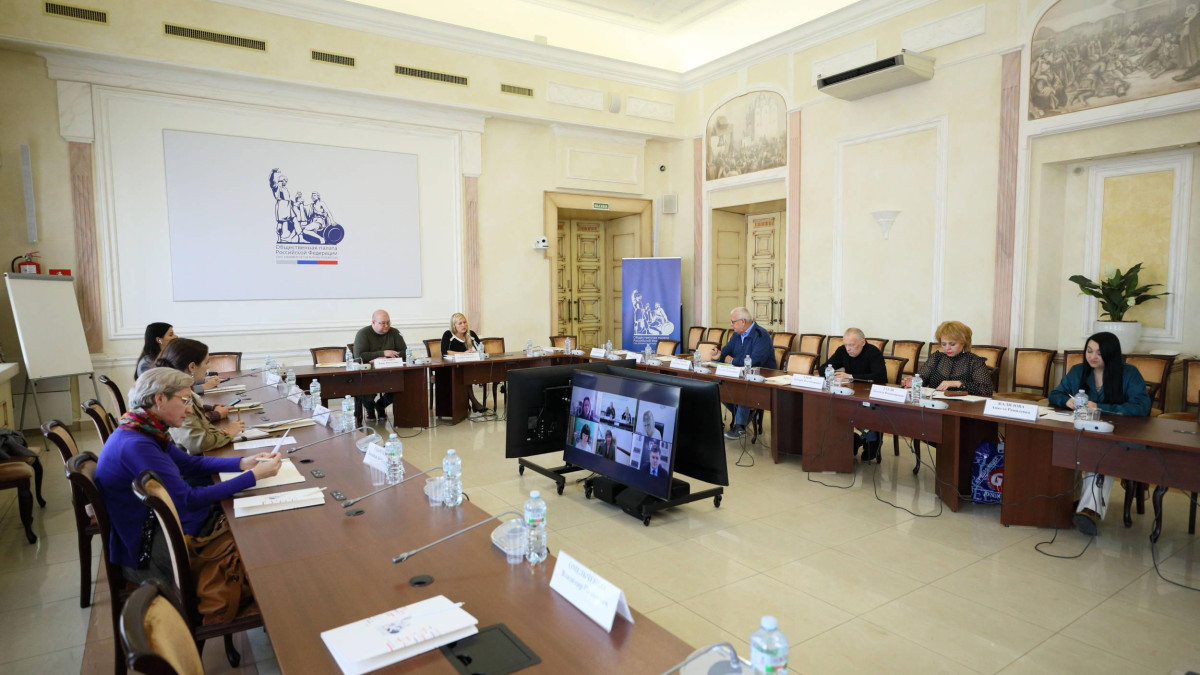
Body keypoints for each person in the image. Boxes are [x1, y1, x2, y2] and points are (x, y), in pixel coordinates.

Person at [94, 367, 281, 587]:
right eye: (184, 400)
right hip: (152, 548)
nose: (190, 409)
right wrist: (253, 476)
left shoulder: (142, 428)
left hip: (160, 525)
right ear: (159, 399)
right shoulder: (138, 444)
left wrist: (242, 463)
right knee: (257, 533)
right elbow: (187, 499)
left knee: (246, 515)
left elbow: (190, 463)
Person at [1048, 331, 1151, 535]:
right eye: (1089, 351)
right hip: (1082, 430)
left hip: (1115, 433)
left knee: (1101, 455)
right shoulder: (1078, 371)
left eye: (1099, 353)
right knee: (1065, 448)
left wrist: (1101, 407)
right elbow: (1055, 394)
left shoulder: (1129, 373)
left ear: (1111, 354)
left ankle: (1089, 511)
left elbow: (1142, 406)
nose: (1092, 356)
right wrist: (1066, 401)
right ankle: (1069, 501)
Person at [156, 338, 244, 454]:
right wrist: (228, 432)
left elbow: (197, 425)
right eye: (206, 362)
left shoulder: (179, 388)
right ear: (192, 367)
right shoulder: (178, 397)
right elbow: (197, 442)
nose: (208, 366)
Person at [707, 307, 776, 439]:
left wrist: (732, 360)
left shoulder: (761, 335)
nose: (731, 325)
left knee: (743, 387)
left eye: (733, 322)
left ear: (743, 322)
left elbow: (755, 360)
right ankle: (740, 416)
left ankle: (740, 426)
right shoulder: (736, 335)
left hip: (762, 377)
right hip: (741, 373)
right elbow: (726, 352)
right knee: (716, 385)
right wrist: (718, 355)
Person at [821, 328, 888, 461]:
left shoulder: (873, 352)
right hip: (850, 393)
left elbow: (880, 376)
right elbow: (823, 368)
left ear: (863, 342)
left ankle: (872, 439)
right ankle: (853, 439)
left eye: (852, 345)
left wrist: (851, 376)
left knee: (867, 455)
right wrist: (832, 374)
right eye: (846, 344)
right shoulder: (842, 350)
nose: (848, 349)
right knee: (832, 409)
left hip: (870, 395)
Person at [906, 321, 994, 396]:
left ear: (963, 342)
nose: (947, 348)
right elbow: (923, 379)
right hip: (935, 405)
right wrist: (913, 382)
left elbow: (986, 389)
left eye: (952, 344)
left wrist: (957, 383)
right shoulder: (936, 357)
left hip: (964, 407)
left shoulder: (974, 361)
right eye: (944, 344)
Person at [353, 310, 407, 421]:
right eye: (383, 323)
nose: (386, 326)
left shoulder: (394, 332)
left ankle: (380, 405)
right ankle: (370, 408)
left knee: (404, 384)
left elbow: (405, 352)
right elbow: (359, 356)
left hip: (391, 371)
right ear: (373, 322)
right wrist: (383, 353)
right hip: (369, 373)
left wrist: (386, 358)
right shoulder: (363, 334)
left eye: (388, 322)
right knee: (365, 389)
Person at [440, 313, 485, 412]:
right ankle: (474, 402)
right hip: (450, 368)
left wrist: (475, 352)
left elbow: (482, 349)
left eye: (465, 322)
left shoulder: (471, 334)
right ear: (454, 325)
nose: (463, 325)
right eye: (460, 323)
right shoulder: (448, 334)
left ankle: (472, 403)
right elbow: (445, 352)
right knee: (463, 374)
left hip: (468, 367)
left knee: (465, 374)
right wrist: (464, 353)